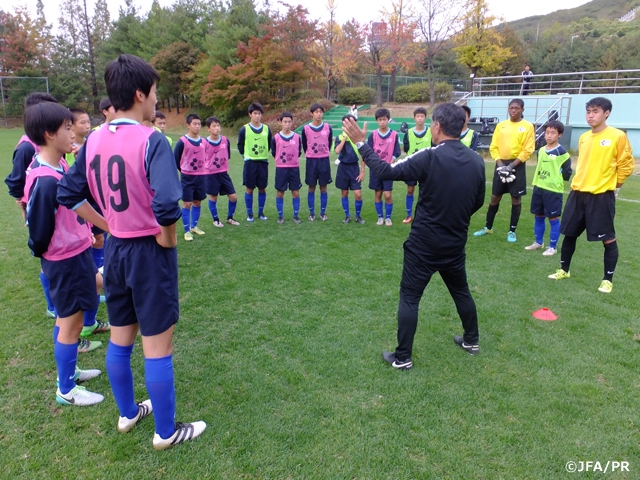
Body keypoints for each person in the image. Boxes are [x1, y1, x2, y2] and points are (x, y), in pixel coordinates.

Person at [58, 53, 206, 449]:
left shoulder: (91, 142)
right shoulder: (151, 139)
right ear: (140, 94)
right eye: (155, 93)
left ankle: (127, 413)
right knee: (158, 345)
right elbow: (167, 206)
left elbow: (69, 192)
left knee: (121, 338)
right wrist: (168, 238)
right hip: (147, 254)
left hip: (117, 254)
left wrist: (110, 225)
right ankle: (166, 432)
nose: (157, 102)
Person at [342, 103, 485, 369]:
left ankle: (403, 357)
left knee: (410, 297)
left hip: (424, 245)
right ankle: (471, 340)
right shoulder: (477, 161)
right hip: (454, 245)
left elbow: (386, 172)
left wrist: (361, 143)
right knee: (461, 291)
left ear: (438, 127)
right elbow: (477, 201)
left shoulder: (428, 156)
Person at [23, 101, 105, 405]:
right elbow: (39, 230)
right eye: (67, 127)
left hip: (76, 252)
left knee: (70, 318)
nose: (73, 132)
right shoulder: (45, 179)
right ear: (48, 133)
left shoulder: (59, 164)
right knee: (70, 323)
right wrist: (46, 257)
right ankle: (66, 390)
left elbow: (74, 205)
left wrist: (94, 230)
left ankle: (69, 373)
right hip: (64, 259)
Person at [548, 97, 634, 294]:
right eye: (588, 112)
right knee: (569, 234)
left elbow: (626, 165)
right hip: (578, 193)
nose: (591, 115)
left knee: (608, 239)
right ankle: (564, 270)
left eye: (595, 111)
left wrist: (616, 187)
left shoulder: (617, 136)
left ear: (606, 113)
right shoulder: (584, 137)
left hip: (601, 196)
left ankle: (607, 280)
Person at [5, 92, 61, 320]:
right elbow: (15, 181)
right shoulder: (27, 147)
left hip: (53, 202)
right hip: (40, 207)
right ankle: (52, 305)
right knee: (47, 255)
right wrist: (25, 207)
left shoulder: (50, 143)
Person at [473, 98, 534, 242]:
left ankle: (512, 231)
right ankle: (488, 228)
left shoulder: (527, 126)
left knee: (515, 198)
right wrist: (500, 165)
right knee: (495, 196)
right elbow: (493, 146)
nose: (513, 110)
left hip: (517, 165)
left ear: (522, 110)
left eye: (516, 108)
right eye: (511, 107)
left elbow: (528, 149)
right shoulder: (501, 125)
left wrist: (511, 166)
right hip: (501, 164)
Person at [524, 121, 572, 256]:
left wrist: (555, 180)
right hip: (539, 187)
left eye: (553, 133)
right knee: (538, 216)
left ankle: (552, 247)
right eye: (547, 132)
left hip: (553, 190)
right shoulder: (541, 150)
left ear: (560, 135)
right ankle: (538, 243)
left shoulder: (562, 152)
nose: (549, 136)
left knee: (553, 218)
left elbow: (567, 171)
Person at [174, 113, 207, 241]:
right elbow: (176, 159)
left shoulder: (203, 141)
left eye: (199, 124)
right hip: (187, 177)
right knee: (187, 203)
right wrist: (184, 170)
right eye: (194, 124)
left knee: (197, 202)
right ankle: (187, 230)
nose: (197, 126)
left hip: (201, 177)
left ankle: (194, 226)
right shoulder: (182, 141)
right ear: (188, 125)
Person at [238, 103, 272, 222]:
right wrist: (245, 156)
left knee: (262, 188)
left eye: (259, 113)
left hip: (263, 163)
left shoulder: (267, 129)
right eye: (255, 113)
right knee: (249, 189)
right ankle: (250, 214)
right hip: (250, 164)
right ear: (250, 114)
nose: (257, 116)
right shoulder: (244, 129)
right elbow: (240, 145)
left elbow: (269, 143)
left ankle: (261, 212)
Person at [204, 116, 240, 227]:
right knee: (213, 197)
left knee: (233, 197)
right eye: (214, 126)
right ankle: (216, 220)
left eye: (218, 125)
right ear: (208, 128)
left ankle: (230, 218)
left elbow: (227, 155)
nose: (217, 128)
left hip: (223, 173)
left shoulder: (225, 140)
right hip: (211, 174)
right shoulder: (204, 142)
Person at [368, 108, 400, 226]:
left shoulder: (394, 134)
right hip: (376, 169)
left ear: (388, 120)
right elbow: (369, 152)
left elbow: (397, 151)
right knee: (378, 193)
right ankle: (380, 217)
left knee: (387, 194)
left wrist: (392, 159)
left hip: (388, 169)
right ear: (377, 121)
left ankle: (388, 217)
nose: (382, 122)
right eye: (380, 120)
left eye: (384, 119)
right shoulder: (373, 135)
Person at [302, 103, 333, 221]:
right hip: (311, 161)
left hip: (324, 160)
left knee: (323, 188)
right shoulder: (306, 129)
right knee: (311, 187)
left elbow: (329, 144)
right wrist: (311, 154)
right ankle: (311, 213)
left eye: (321, 111)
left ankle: (323, 213)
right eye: (316, 112)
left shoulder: (328, 127)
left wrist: (323, 153)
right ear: (312, 113)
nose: (319, 114)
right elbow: (305, 145)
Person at [270, 112, 303, 224]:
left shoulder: (297, 137)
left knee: (295, 192)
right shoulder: (276, 138)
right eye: (285, 122)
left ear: (292, 122)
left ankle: (296, 216)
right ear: (280, 122)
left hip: (294, 168)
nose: (287, 124)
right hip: (281, 169)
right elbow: (274, 152)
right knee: (280, 192)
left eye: (289, 122)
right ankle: (280, 216)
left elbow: (298, 152)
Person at [402, 107, 431, 224]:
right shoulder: (408, 132)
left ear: (425, 118)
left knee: (426, 192)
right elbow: (406, 148)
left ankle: (425, 216)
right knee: (410, 190)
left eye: (422, 116)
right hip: (412, 167)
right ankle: (409, 215)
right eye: (417, 116)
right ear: (414, 118)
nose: (420, 118)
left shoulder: (430, 132)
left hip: (427, 167)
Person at [334, 114, 365, 224]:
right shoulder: (339, 137)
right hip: (343, 168)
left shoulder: (358, 139)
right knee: (344, 193)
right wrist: (345, 138)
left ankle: (358, 216)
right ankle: (347, 216)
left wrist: (362, 172)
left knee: (358, 194)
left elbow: (364, 155)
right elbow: (337, 151)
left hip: (354, 168)